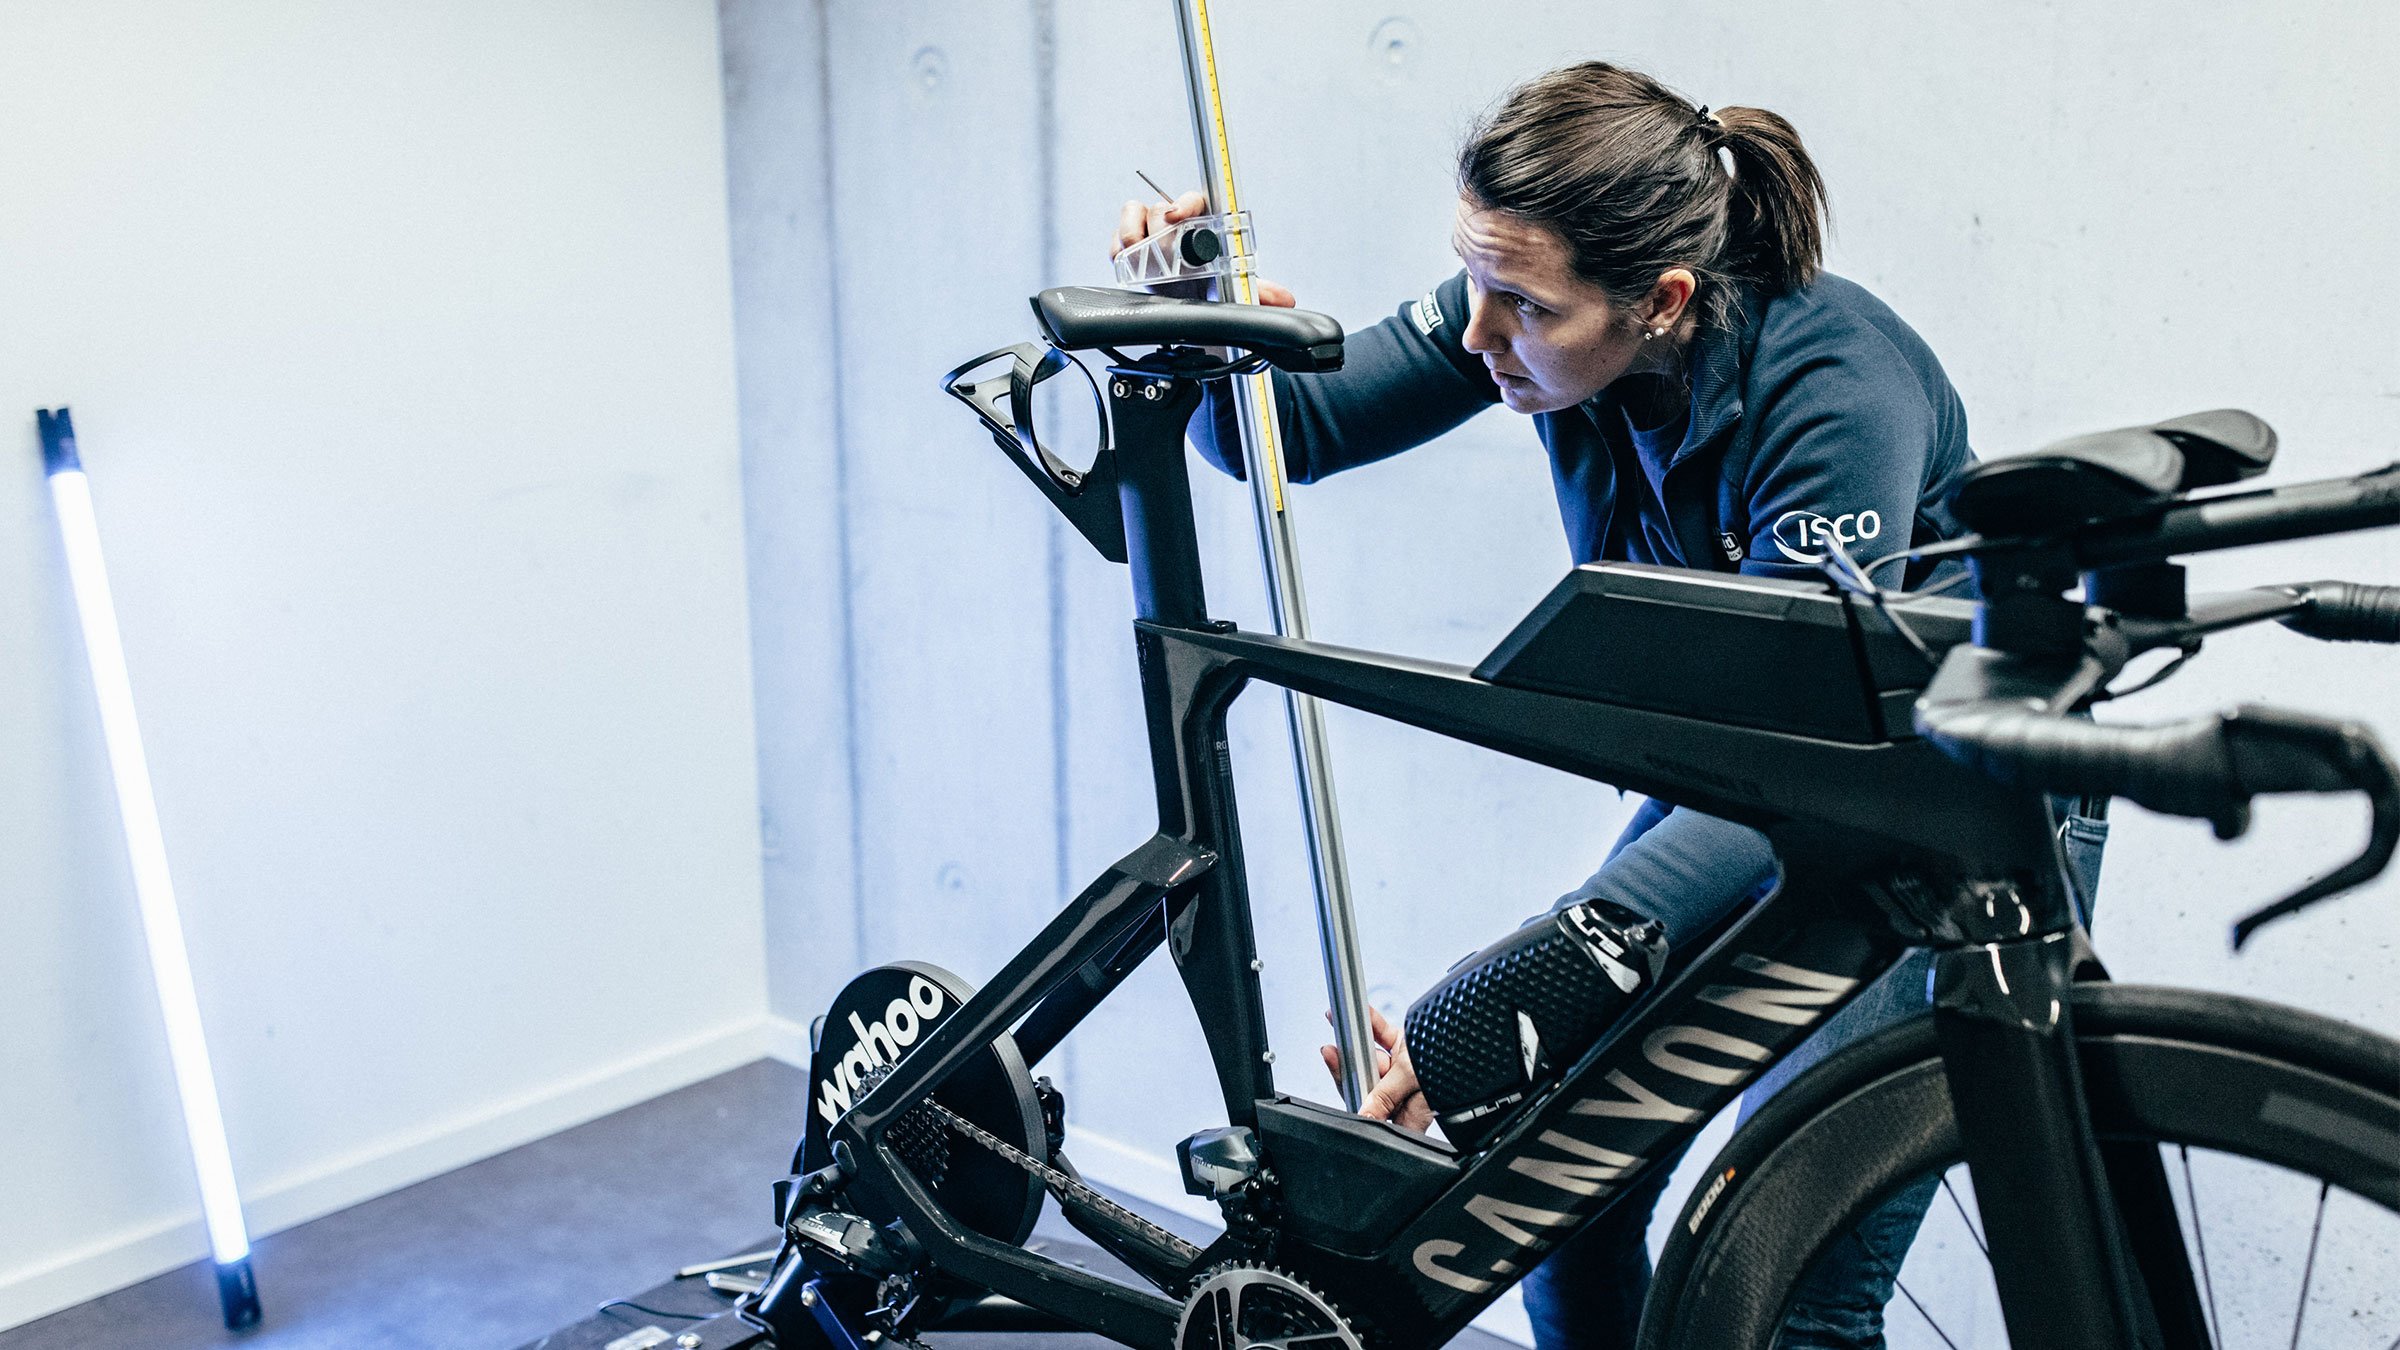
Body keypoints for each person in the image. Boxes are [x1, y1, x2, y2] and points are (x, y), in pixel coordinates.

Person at [1114, 62, 2108, 1350]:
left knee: (1789, 1275)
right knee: (1551, 1197)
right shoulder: (1548, 321)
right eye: (1473, 281)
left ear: (1665, 300)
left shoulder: (1835, 390)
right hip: (1747, 782)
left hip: (1931, 810)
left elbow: (1801, 755)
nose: (1477, 335)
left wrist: (1517, 991)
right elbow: (1287, 434)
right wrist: (1198, 325)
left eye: (1519, 304)